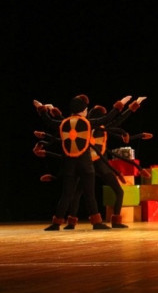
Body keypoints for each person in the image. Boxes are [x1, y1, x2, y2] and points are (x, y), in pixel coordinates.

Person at [33, 94, 131, 230]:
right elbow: (108, 118)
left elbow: (48, 121)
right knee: (90, 194)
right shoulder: (87, 123)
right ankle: (96, 222)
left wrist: (41, 109)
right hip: (85, 165)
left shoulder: (64, 123)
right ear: (84, 110)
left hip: (69, 165)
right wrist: (121, 104)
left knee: (66, 194)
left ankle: (56, 223)